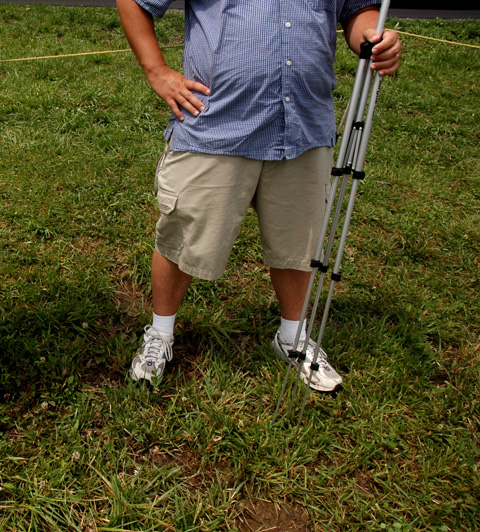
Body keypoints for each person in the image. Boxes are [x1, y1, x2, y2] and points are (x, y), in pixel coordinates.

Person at [117, 0, 401, 391]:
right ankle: (160, 335)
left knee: (298, 239)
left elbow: (356, 11)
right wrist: (157, 71)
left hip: (302, 124)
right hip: (215, 122)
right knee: (183, 234)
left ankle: (293, 336)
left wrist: (373, 37)